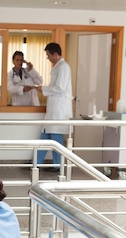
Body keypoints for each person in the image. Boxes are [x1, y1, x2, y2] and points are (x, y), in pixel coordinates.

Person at [36, 42, 73, 172]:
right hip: (53, 109)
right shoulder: (58, 66)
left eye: (48, 55)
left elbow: (60, 87)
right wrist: (44, 90)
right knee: (45, 136)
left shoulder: (63, 67)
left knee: (56, 139)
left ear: (55, 54)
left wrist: (43, 89)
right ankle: (36, 163)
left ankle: (58, 165)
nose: (47, 58)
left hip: (59, 110)